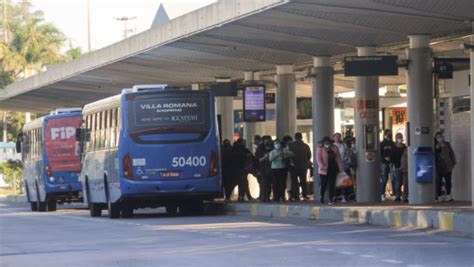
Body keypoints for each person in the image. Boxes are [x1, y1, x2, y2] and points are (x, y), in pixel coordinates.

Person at [316, 136, 344, 205]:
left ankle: (331, 198)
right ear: (323, 143)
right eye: (325, 143)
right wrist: (322, 166)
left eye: (328, 143)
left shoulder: (334, 148)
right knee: (324, 184)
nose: (327, 144)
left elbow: (338, 158)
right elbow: (318, 159)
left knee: (332, 184)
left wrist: (341, 168)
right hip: (323, 170)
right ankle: (322, 196)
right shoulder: (320, 149)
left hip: (332, 168)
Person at [289, 132, 311, 201]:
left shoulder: (291, 146)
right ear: (301, 137)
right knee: (303, 181)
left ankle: (295, 196)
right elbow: (309, 156)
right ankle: (304, 195)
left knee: (294, 182)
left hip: (294, 167)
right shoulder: (306, 146)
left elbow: (288, 156)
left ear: (295, 138)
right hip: (303, 166)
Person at [434, 132, 456, 202]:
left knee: (448, 181)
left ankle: (448, 195)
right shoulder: (435, 146)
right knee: (439, 181)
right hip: (439, 166)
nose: (440, 138)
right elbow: (434, 155)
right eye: (438, 137)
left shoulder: (447, 144)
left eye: (441, 136)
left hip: (447, 165)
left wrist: (453, 163)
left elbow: (451, 154)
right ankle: (439, 196)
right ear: (436, 139)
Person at [256, 136, 274, 201]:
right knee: (264, 184)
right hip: (263, 169)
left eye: (269, 141)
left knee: (270, 184)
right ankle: (264, 197)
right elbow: (258, 159)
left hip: (272, 169)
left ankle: (268, 197)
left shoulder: (273, 148)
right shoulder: (260, 149)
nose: (267, 142)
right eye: (266, 141)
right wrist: (264, 157)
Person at [391, 133, 407, 202]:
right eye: (398, 137)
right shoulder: (393, 147)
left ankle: (405, 196)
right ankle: (398, 196)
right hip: (397, 166)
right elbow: (392, 157)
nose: (400, 139)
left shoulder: (405, 147)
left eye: (400, 137)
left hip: (405, 167)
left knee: (405, 182)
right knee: (398, 182)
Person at [380, 129, 395, 201]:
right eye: (389, 133)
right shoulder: (382, 144)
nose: (390, 135)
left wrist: (391, 158)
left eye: (390, 133)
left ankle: (394, 194)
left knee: (393, 179)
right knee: (384, 178)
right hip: (384, 163)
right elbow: (380, 153)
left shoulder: (393, 143)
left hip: (391, 162)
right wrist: (384, 158)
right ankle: (382, 193)